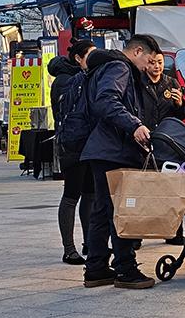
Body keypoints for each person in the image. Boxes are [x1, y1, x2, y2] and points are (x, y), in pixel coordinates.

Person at [79, 34, 161, 289]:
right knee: (122, 210)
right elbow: (107, 100)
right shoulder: (119, 67)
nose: (149, 66)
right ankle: (125, 269)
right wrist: (134, 124)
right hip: (114, 150)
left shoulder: (105, 66)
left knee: (103, 211)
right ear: (137, 51)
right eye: (148, 60)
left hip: (102, 150)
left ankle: (97, 268)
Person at [49, 39, 96, 265]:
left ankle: (90, 242)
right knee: (71, 195)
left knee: (89, 194)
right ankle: (69, 248)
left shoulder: (85, 77)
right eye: (91, 55)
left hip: (89, 144)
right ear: (78, 58)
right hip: (73, 145)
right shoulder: (65, 81)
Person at [142, 52, 185, 128]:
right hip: (144, 133)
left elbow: (182, 116)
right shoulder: (138, 82)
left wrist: (180, 104)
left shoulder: (172, 83)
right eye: (152, 63)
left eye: (160, 62)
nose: (157, 66)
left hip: (166, 132)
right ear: (145, 64)